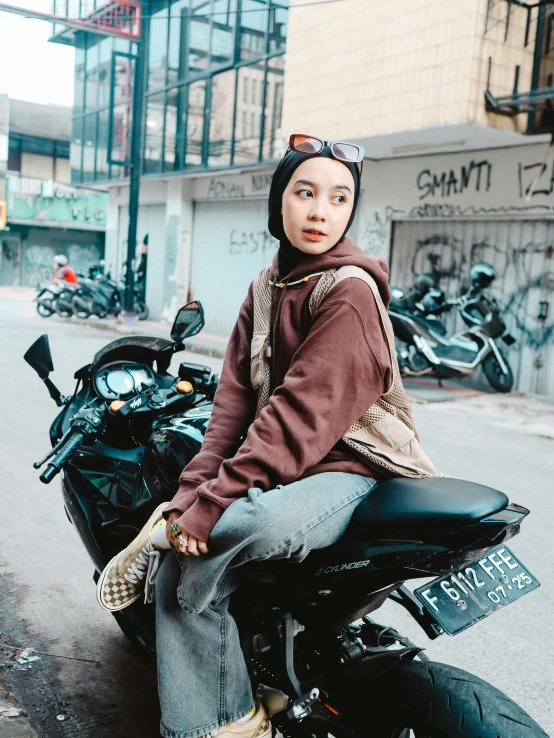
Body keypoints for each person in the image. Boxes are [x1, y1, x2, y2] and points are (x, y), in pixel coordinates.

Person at [95, 134, 437, 738]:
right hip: (286, 462)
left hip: (346, 468)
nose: (319, 211)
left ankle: (211, 719)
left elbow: (297, 417)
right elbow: (231, 407)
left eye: (338, 198)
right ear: (280, 200)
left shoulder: (350, 291)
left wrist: (210, 510)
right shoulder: (265, 286)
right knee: (189, 540)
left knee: (232, 530)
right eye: (305, 192)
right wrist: (188, 498)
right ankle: (232, 715)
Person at [136, 235, 148, 300]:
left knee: (141, 289)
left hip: (143, 274)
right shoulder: (145, 250)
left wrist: (138, 270)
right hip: (143, 273)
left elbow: (142, 262)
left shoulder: (144, 250)